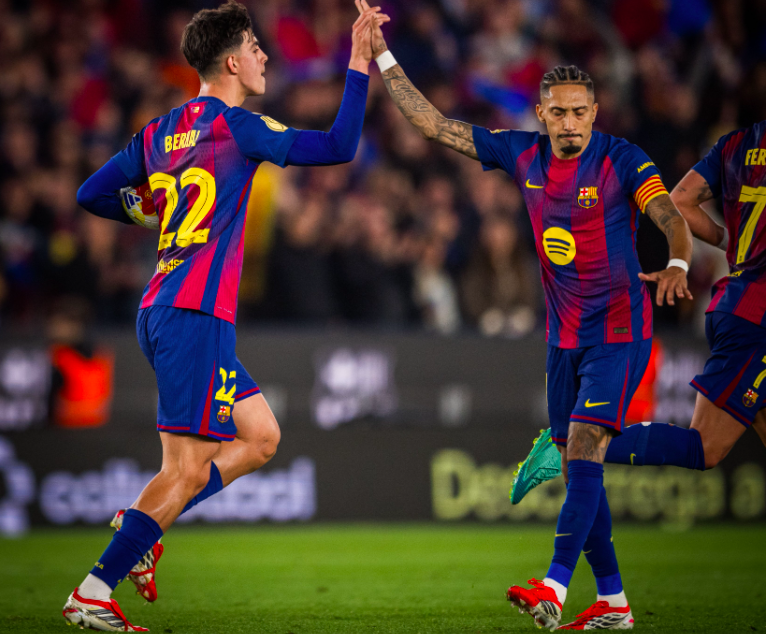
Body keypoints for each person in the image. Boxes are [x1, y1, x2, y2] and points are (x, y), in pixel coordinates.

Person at [358, 2, 693, 629]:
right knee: (580, 460)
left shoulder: (621, 159)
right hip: (561, 337)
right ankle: (614, 602)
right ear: (541, 114)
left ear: (595, 112)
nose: (569, 122)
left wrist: (677, 262)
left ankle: (554, 586)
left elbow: (669, 215)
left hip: (619, 330)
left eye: (580, 112)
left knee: (586, 445)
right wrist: (382, 53)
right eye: (558, 112)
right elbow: (432, 125)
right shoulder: (520, 155)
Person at [64, 1, 386, 630]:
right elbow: (340, 145)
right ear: (233, 62)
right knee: (186, 470)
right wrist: (357, 59)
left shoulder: (159, 131)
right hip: (194, 313)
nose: (265, 55)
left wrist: (153, 212)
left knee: (260, 436)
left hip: (163, 305)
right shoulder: (240, 126)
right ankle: (96, 588)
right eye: (255, 46)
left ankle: (140, 528)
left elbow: (91, 193)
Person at [514, 121, 766, 497]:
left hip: (738, 302)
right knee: (705, 446)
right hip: (757, 316)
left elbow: (680, 200)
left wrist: (735, 245)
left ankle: (574, 438)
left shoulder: (738, 143)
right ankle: (570, 440)